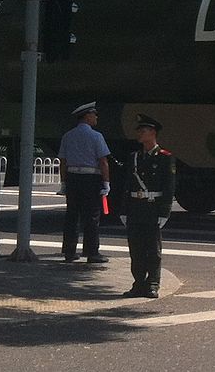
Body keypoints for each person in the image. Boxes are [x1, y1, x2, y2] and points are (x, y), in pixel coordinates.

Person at [123, 115, 175, 299]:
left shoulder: (164, 158)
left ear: (153, 133)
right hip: (136, 207)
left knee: (153, 249)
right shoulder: (134, 157)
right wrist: (123, 210)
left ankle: (152, 283)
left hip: (152, 207)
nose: (139, 134)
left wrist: (165, 211)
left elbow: (169, 186)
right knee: (135, 248)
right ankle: (138, 283)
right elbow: (127, 184)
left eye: (143, 131)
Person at [57, 101, 110, 264]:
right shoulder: (96, 136)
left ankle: (69, 251)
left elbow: (63, 162)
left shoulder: (68, 135)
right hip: (90, 178)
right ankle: (92, 252)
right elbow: (103, 161)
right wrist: (106, 182)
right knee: (92, 216)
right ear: (87, 117)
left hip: (73, 178)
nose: (96, 117)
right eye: (94, 114)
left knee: (72, 215)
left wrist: (64, 183)